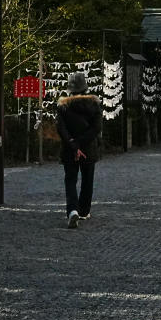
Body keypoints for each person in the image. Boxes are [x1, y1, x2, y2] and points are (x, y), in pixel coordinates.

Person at [55, 70, 102, 229]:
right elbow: (96, 128)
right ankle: (84, 211)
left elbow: (61, 128)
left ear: (70, 88)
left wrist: (74, 145)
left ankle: (72, 210)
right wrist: (81, 144)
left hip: (69, 149)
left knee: (70, 180)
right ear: (85, 87)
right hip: (89, 149)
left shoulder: (63, 106)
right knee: (87, 181)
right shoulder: (94, 104)